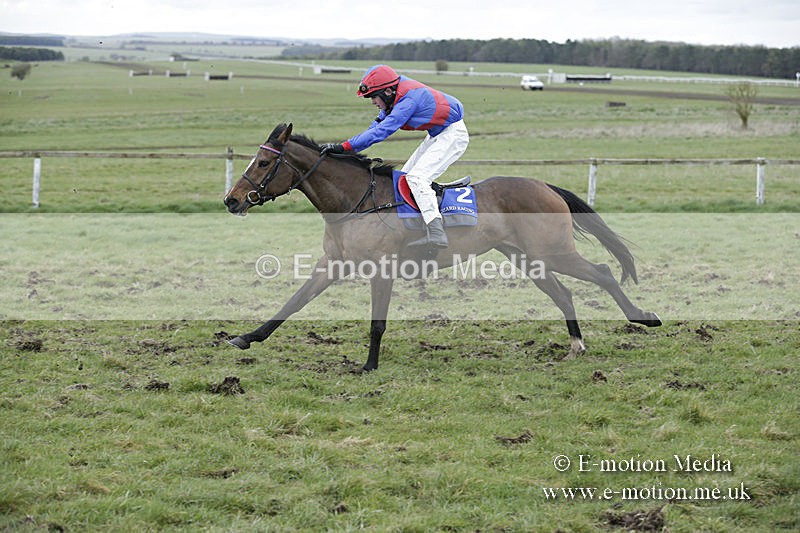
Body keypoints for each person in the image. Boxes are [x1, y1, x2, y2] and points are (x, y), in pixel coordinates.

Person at [320, 64, 469, 250]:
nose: (373, 101)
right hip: (437, 134)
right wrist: (344, 147)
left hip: (453, 134)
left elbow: (381, 132)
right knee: (404, 179)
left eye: (374, 97)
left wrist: (344, 147)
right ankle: (416, 227)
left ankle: (437, 231)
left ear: (388, 91)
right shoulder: (395, 95)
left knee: (416, 179)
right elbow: (374, 127)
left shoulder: (408, 100)